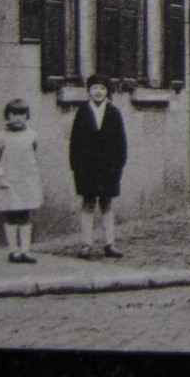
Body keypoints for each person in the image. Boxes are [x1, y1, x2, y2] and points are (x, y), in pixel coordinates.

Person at [69, 73, 128, 259]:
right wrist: (76, 167)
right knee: (88, 204)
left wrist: (118, 166)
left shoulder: (114, 113)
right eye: (94, 88)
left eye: (102, 88)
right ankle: (86, 244)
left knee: (107, 205)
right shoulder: (82, 112)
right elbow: (75, 142)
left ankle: (109, 243)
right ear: (88, 91)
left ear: (107, 91)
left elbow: (121, 143)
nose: (98, 92)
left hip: (109, 169)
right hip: (87, 169)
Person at [0, 98, 42, 264]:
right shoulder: (1, 137)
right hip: (10, 181)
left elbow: (33, 154)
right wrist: (1, 178)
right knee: (12, 214)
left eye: (21, 114)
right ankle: (13, 250)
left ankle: (25, 250)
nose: (18, 118)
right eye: (14, 114)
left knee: (25, 214)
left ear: (26, 116)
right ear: (7, 116)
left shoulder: (32, 135)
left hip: (27, 179)